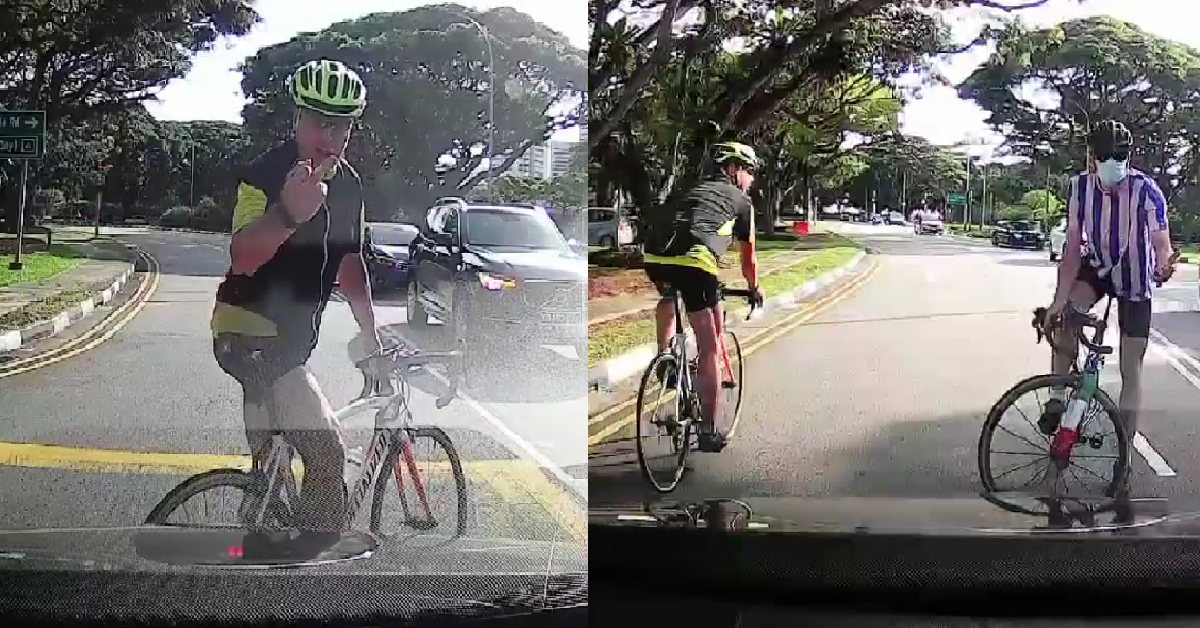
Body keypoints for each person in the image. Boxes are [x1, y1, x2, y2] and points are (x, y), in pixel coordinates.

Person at [210, 59, 383, 534]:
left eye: (341, 125)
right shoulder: (264, 173)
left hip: (289, 340)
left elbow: (349, 266)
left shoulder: (348, 186)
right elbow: (243, 255)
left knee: (276, 460)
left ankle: (263, 507)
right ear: (297, 120)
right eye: (317, 121)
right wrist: (288, 213)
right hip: (248, 330)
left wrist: (372, 336)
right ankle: (306, 574)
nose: (328, 135)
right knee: (327, 455)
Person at [1042, 119, 1178, 452]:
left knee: (1131, 368)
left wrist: (1163, 264)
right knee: (1065, 317)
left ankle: (1126, 451)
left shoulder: (1147, 190)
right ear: (1091, 158)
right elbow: (1073, 248)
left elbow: (1161, 241)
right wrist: (1058, 302)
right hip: (1098, 267)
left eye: (1120, 156)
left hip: (1135, 277)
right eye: (1106, 156)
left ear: (1128, 157)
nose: (1112, 164)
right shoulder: (1079, 188)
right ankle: (1057, 397)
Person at [641, 141, 765, 453]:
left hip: (655, 256)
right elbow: (748, 260)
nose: (751, 179)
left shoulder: (687, 189)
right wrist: (754, 288)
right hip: (695, 261)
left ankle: (665, 356)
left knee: (670, 294)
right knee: (709, 346)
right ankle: (709, 430)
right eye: (749, 171)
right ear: (734, 169)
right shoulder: (741, 202)